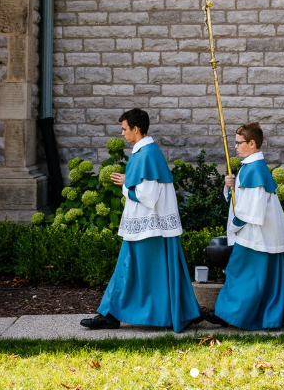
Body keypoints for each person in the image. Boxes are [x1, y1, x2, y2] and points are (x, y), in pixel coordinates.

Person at [80, 108, 201, 331]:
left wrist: (126, 186)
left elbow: (148, 196)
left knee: (131, 270)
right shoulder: (145, 152)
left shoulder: (146, 154)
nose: (122, 134)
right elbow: (147, 184)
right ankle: (113, 314)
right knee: (141, 271)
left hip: (149, 228)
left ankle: (111, 315)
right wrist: (130, 180)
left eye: (124, 129)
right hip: (148, 227)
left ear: (137, 129)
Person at [204, 122, 284, 331]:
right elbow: (242, 198)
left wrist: (235, 225)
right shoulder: (249, 166)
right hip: (257, 232)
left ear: (252, 143)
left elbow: (253, 208)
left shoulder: (254, 168)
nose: (235, 147)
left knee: (240, 271)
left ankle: (230, 314)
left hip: (256, 232)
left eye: (239, 143)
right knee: (255, 275)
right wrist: (230, 186)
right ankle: (237, 314)